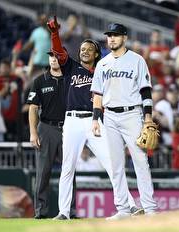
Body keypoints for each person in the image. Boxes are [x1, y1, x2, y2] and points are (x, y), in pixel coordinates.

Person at [47, 17, 139, 220]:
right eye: (82, 49)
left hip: (94, 121)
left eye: (89, 49)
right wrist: (55, 33)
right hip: (72, 121)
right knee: (67, 167)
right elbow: (59, 52)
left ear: (96, 53)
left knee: (113, 164)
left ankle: (130, 206)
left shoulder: (103, 70)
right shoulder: (71, 67)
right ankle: (64, 212)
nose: (84, 51)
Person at [91, 23, 158, 220]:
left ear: (124, 38)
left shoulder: (137, 60)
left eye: (116, 35)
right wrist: (96, 119)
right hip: (109, 116)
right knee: (115, 165)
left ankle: (150, 208)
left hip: (132, 115)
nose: (112, 38)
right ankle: (122, 209)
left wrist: (147, 118)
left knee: (140, 161)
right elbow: (97, 95)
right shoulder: (102, 63)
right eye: (109, 35)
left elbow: (146, 91)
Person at [27, 52, 77, 219]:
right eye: (51, 56)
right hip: (47, 127)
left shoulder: (71, 78)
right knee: (43, 172)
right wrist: (33, 132)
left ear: (63, 58)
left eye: (57, 56)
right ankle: (40, 210)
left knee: (69, 170)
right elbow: (33, 108)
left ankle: (70, 210)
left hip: (69, 127)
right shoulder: (40, 80)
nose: (54, 59)